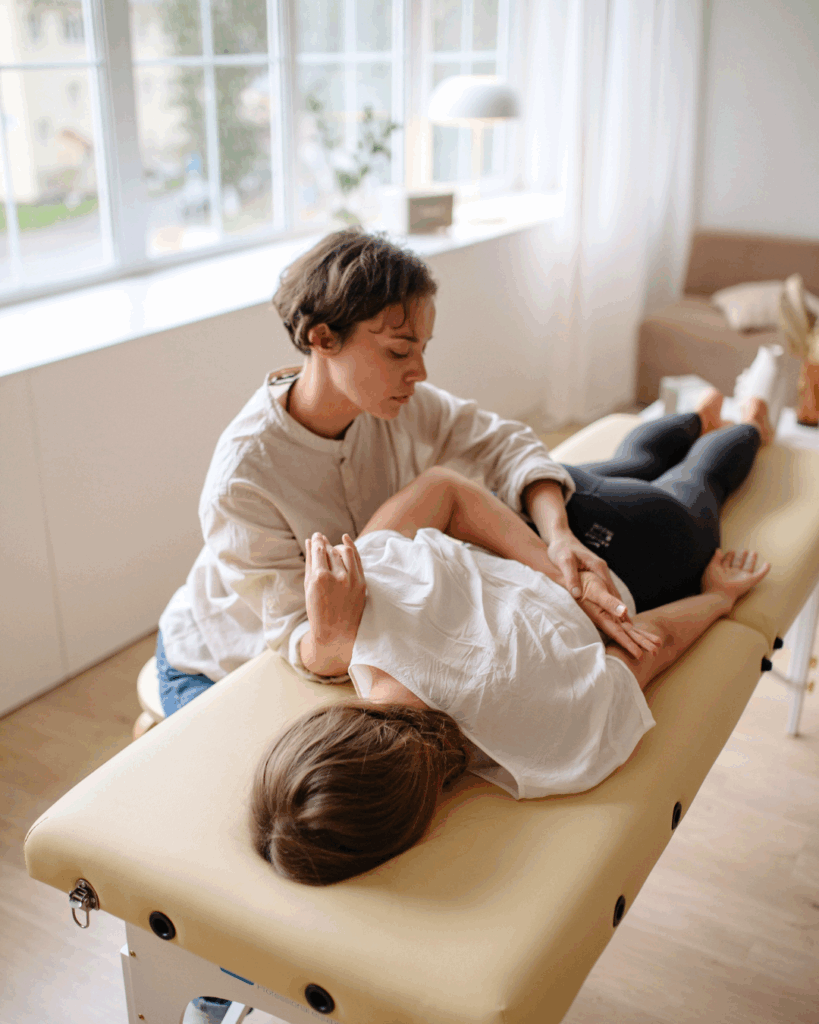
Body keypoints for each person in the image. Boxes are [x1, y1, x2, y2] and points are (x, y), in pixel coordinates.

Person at [251, 391, 773, 887]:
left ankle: (750, 423)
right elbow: (444, 489)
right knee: (636, 462)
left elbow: (649, 642)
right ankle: (703, 416)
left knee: (700, 482)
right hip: (548, 514)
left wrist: (718, 597)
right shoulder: (362, 601)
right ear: (324, 724)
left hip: (642, 549)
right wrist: (556, 559)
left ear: (406, 818)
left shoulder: (553, 754)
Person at [156, 229, 648, 722]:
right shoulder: (243, 479)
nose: (420, 372)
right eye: (398, 351)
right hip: (219, 660)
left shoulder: (393, 404)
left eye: (423, 349)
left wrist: (557, 536)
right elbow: (303, 638)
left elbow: (505, 444)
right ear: (323, 339)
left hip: (345, 636)